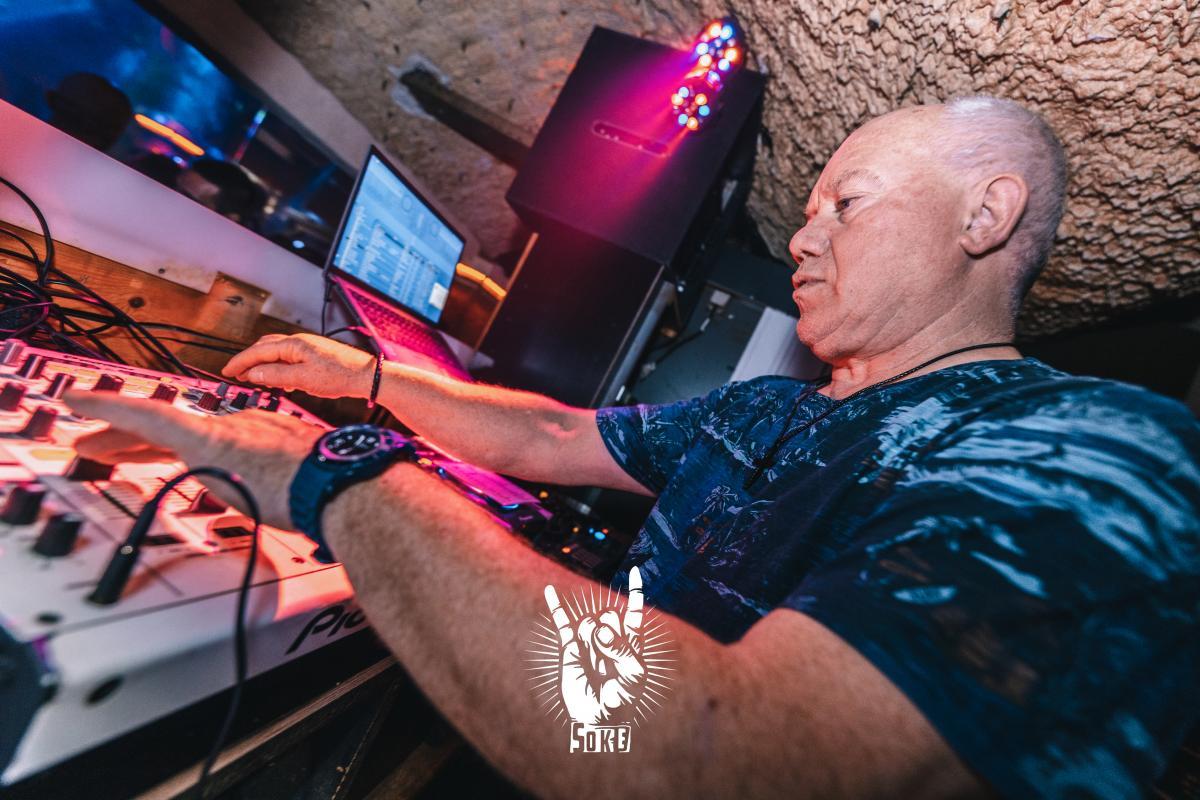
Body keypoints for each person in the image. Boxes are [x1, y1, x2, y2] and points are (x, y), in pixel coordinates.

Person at [65, 96, 1200, 798]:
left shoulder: (1096, 452)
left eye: (844, 205)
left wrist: (333, 477)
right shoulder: (772, 411)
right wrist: (369, 376)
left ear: (984, 215)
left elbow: (722, 758)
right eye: (805, 211)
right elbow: (552, 433)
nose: (802, 239)